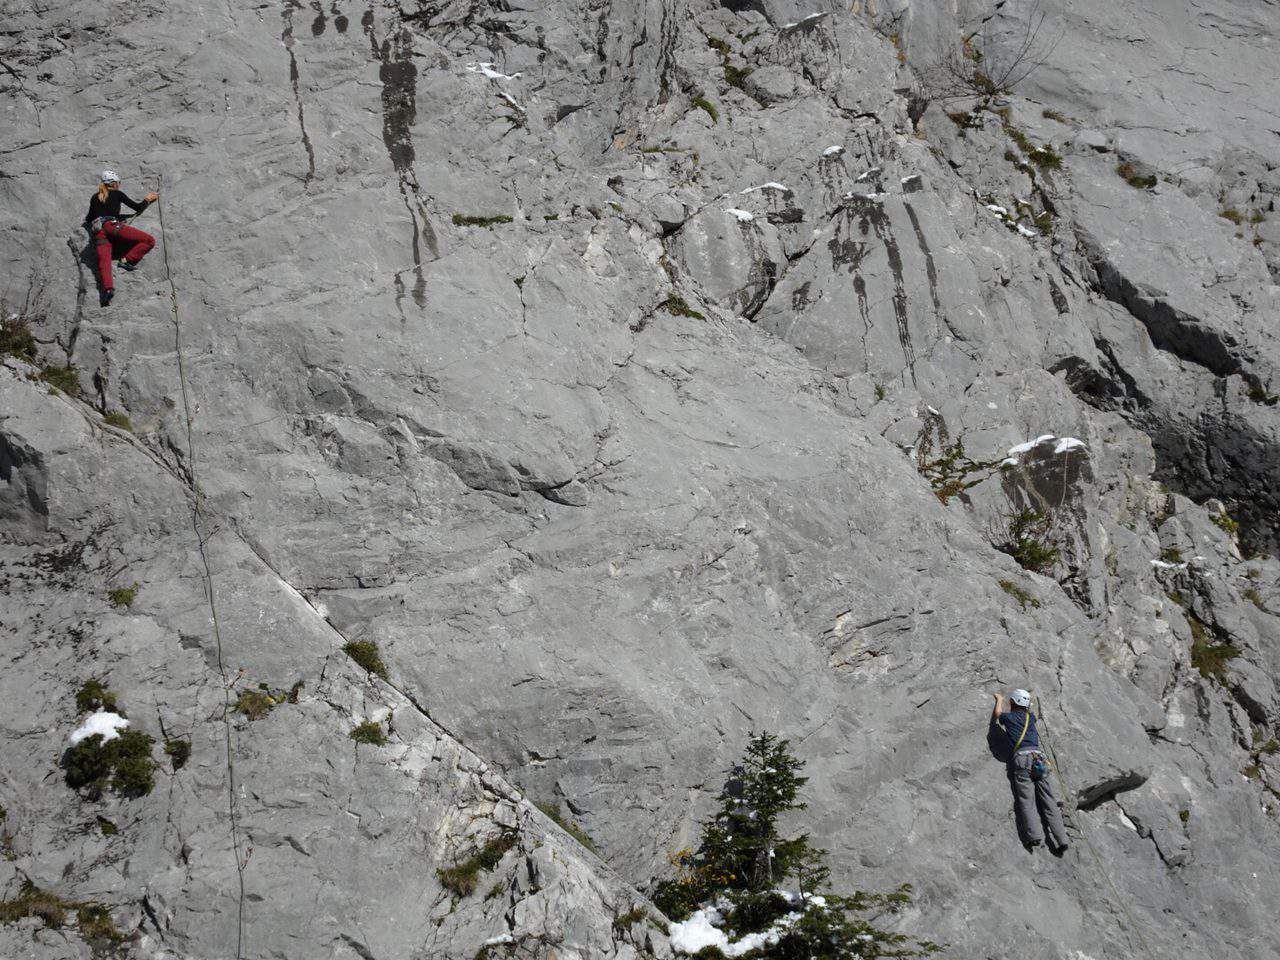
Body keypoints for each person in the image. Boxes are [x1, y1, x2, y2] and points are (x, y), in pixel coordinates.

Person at [993, 689, 1070, 854]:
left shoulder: (1009, 718)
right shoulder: (1031, 717)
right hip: (1039, 759)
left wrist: (999, 699)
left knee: (1027, 800)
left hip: (1022, 759)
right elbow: (1030, 713)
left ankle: (1035, 836)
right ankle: (1062, 838)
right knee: (1049, 800)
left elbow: (998, 714)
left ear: (1013, 703)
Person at [83, 170, 159, 306]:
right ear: (114, 183)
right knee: (149, 240)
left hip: (98, 231)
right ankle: (126, 260)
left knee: (104, 261)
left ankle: (107, 290)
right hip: (112, 226)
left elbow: (89, 218)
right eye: (119, 183)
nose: (119, 185)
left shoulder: (95, 197)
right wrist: (148, 199)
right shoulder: (117, 194)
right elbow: (137, 207)